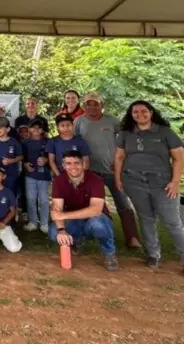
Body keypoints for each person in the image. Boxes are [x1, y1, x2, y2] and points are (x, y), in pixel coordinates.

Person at [114, 100, 184, 269]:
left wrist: (175, 182)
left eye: (144, 110)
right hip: (134, 181)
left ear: (151, 112)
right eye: (135, 112)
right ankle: (153, 255)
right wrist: (118, 178)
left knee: (172, 221)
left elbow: (179, 158)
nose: (140, 114)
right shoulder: (125, 133)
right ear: (131, 115)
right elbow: (119, 157)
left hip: (162, 183)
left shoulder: (165, 132)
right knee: (146, 219)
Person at [74, 92, 141, 248]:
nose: (91, 107)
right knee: (85, 203)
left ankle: (132, 237)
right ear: (84, 106)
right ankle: (85, 235)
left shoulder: (112, 121)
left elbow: (125, 140)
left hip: (112, 171)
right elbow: (75, 142)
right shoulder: (79, 121)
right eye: (88, 104)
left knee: (122, 202)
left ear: (101, 106)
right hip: (89, 171)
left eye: (95, 104)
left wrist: (121, 161)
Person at [51, 150, 119, 271]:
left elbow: (96, 210)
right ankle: (76, 242)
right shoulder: (58, 181)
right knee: (53, 233)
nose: (73, 167)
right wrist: (62, 230)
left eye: (77, 163)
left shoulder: (96, 180)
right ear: (63, 165)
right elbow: (56, 210)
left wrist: (63, 215)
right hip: (74, 220)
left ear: (84, 164)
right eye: (68, 163)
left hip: (95, 219)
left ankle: (109, 253)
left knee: (98, 224)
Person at [22, 119, 51, 233]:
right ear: (29, 129)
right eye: (33, 127)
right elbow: (21, 157)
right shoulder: (25, 143)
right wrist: (25, 164)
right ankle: (33, 222)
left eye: (38, 128)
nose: (35, 130)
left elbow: (52, 157)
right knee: (30, 198)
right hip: (30, 175)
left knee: (43, 199)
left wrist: (46, 160)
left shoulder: (48, 142)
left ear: (42, 130)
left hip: (44, 175)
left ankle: (44, 223)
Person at [0, 117, 23, 195]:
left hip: (10, 175)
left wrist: (11, 161)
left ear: (8, 129)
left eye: (0, 127)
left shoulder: (14, 142)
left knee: (10, 196)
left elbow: (21, 156)